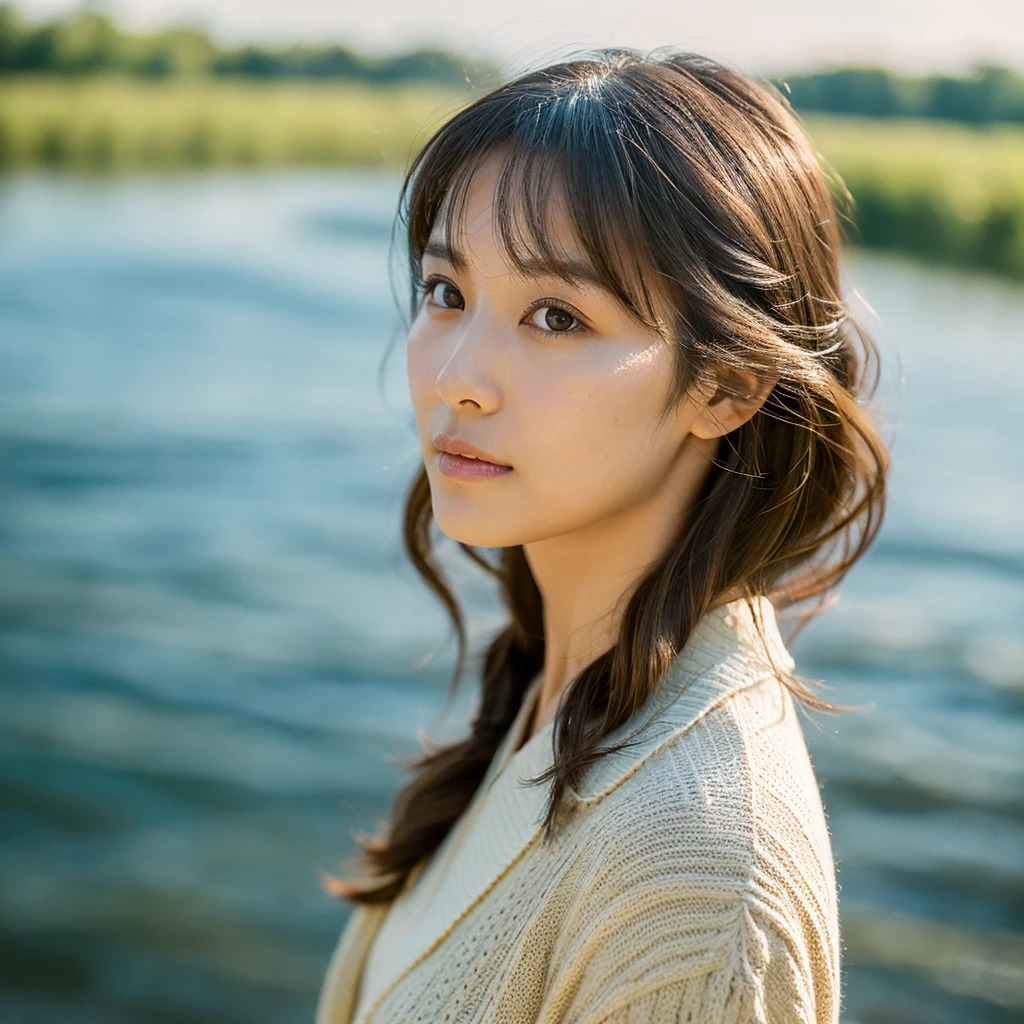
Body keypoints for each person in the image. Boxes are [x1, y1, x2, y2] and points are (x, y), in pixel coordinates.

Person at [316, 46, 889, 1024]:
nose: (458, 375)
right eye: (446, 292)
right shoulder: (564, 684)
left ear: (726, 386)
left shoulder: (700, 881)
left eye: (554, 315)